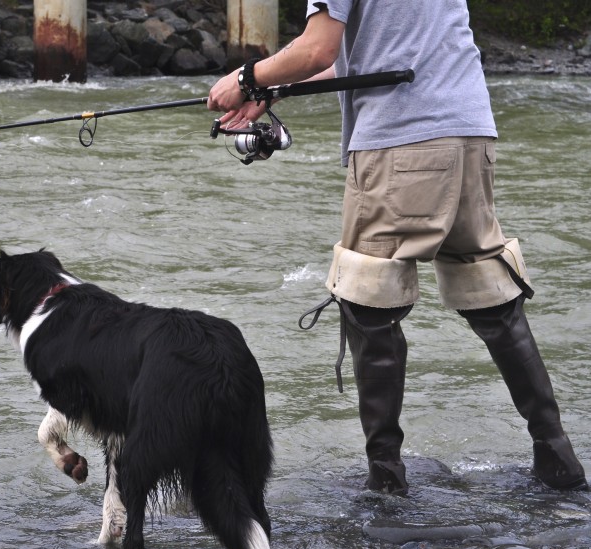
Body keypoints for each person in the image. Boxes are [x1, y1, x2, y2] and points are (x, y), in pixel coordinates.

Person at [207, 1, 588, 495]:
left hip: (400, 142)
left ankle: (385, 481)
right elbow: (361, 49)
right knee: (491, 293)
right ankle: (557, 460)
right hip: (470, 132)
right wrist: (270, 87)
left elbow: (318, 46)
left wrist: (245, 77)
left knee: (369, 300)